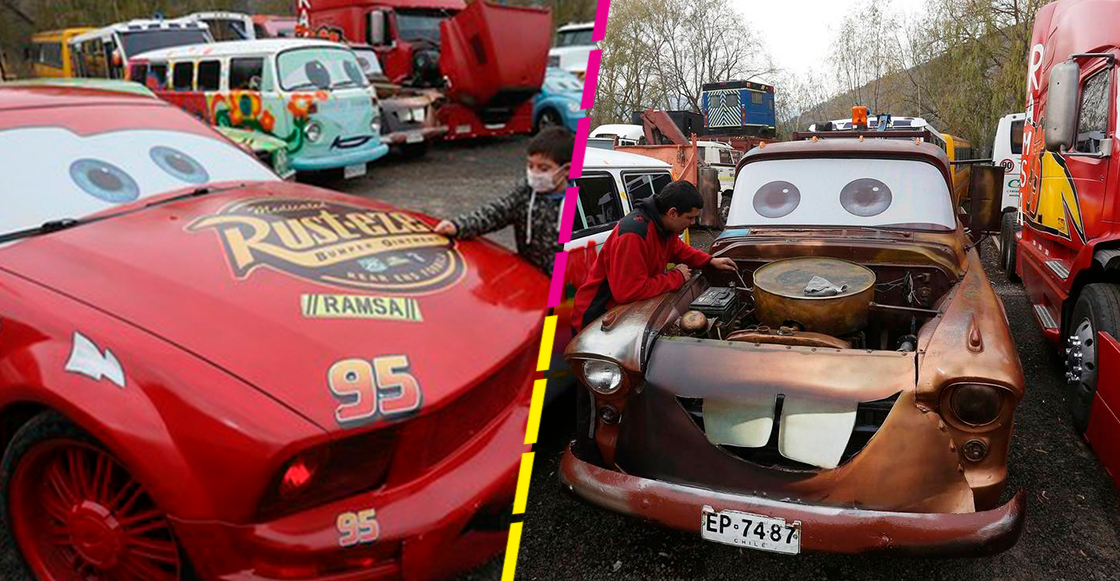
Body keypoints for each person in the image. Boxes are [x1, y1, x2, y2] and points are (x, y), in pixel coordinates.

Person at [571, 180, 737, 331]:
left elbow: (679, 250)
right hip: (596, 318)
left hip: (624, 313)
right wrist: (677, 276)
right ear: (672, 213)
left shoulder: (664, 227)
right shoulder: (633, 234)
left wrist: (710, 261)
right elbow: (629, 292)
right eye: (690, 218)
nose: (692, 223)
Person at [434, 127, 573, 276]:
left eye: (543, 169)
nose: (534, 173)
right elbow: (496, 213)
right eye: (530, 166)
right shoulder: (524, 194)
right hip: (529, 276)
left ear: (567, 169)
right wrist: (458, 226)